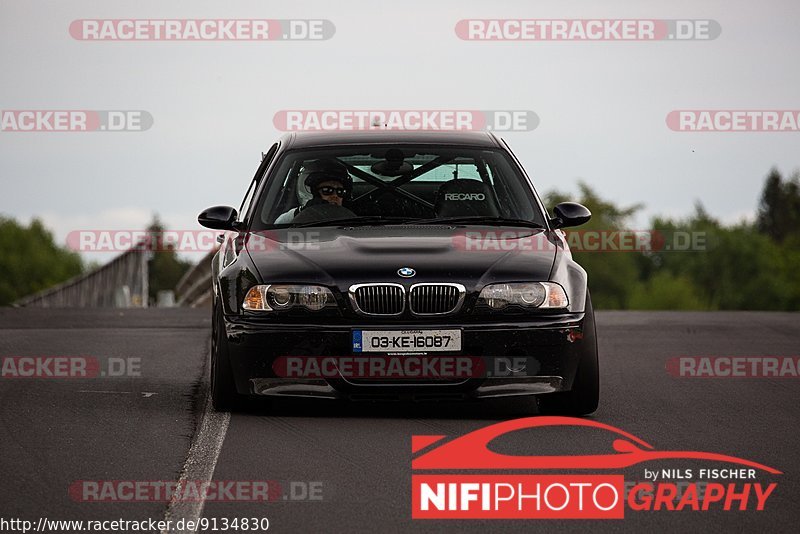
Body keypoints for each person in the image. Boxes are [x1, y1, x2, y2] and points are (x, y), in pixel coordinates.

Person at [274, 159, 354, 224]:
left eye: (340, 192)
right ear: (309, 191)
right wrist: (304, 213)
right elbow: (277, 226)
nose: (335, 196)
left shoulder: (352, 219)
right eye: (327, 190)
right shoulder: (292, 216)